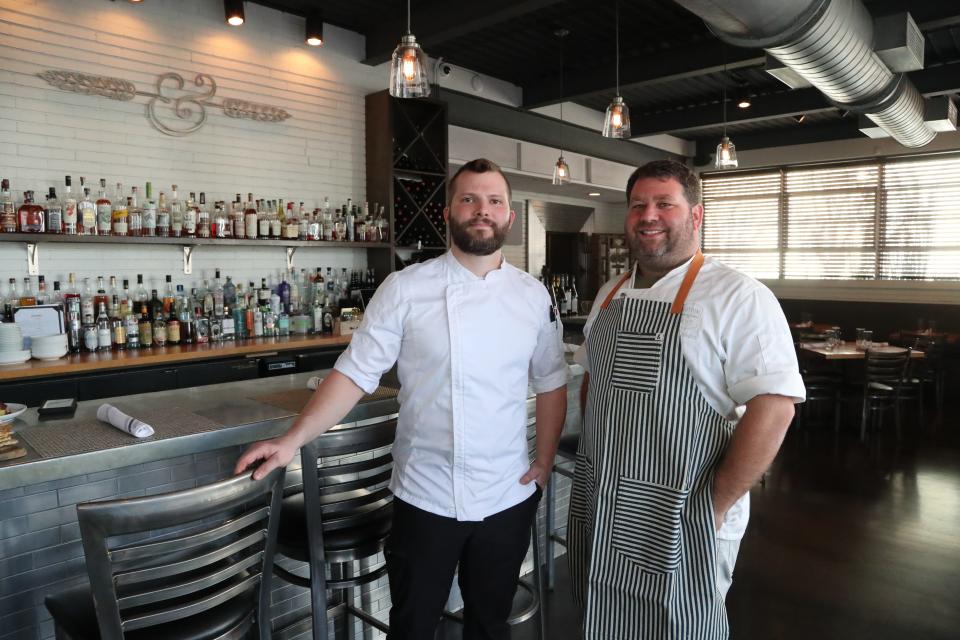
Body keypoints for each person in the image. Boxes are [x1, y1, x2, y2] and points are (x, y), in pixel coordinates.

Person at [235, 158, 569, 640]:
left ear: (509, 217)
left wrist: (543, 460)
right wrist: (292, 441)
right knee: (412, 625)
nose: (482, 210)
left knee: (491, 624)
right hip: (424, 495)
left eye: (494, 201)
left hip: (506, 492)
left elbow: (552, 380)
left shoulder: (534, 296)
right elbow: (354, 373)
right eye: (469, 199)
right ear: (448, 213)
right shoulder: (406, 289)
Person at [569, 160, 804, 639]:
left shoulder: (739, 296)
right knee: (603, 615)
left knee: (679, 625)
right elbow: (594, 380)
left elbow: (775, 407)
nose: (648, 215)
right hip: (605, 504)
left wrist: (712, 507)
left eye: (664, 204)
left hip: (683, 513)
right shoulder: (609, 294)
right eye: (638, 205)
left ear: (696, 216)